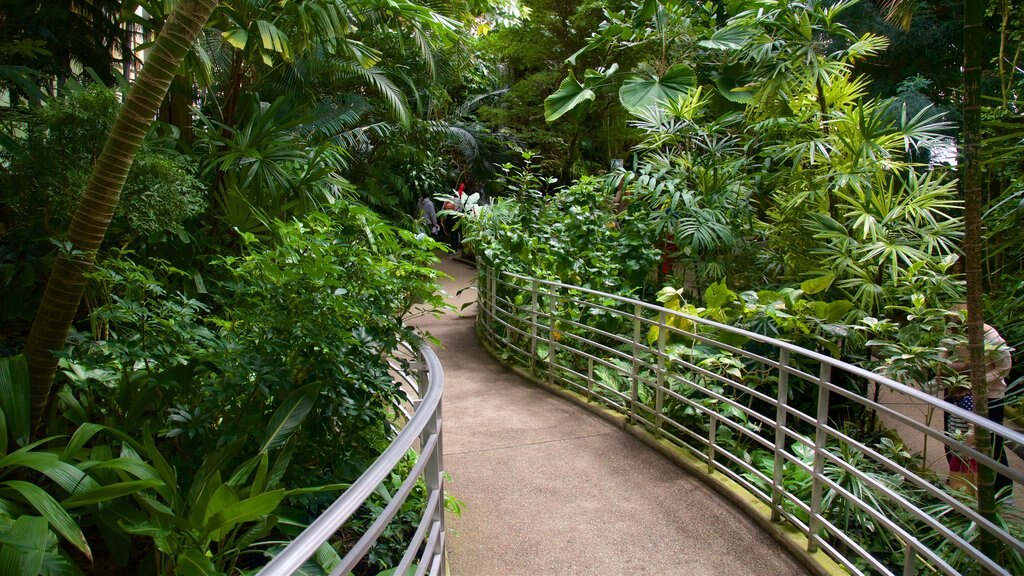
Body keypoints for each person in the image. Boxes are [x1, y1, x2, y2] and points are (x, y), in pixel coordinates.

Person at [944, 306, 1014, 500]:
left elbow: (1004, 368)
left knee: (991, 445)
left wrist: (976, 381)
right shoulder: (952, 333)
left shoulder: (991, 339)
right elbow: (945, 353)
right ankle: (958, 483)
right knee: (953, 438)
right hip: (956, 390)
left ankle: (1002, 492)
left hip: (988, 395)